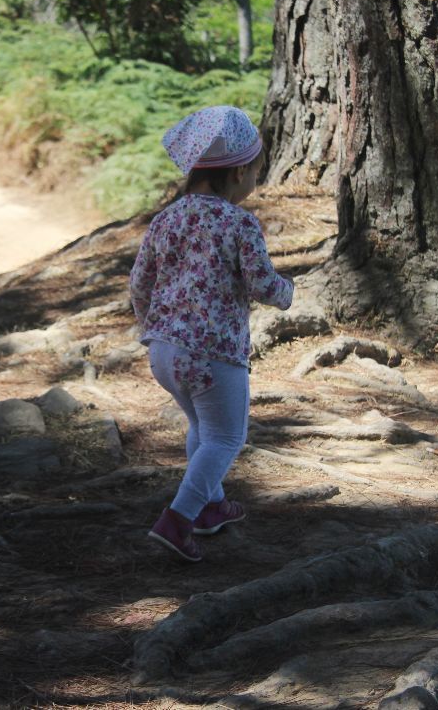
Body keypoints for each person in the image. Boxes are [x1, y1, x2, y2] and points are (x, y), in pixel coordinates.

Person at [130, 105, 294, 562]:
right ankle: (178, 519)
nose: (255, 181)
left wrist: (154, 326)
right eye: (257, 172)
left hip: (164, 351)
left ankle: (212, 506)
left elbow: (139, 282)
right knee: (226, 438)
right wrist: (287, 293)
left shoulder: (167, 219)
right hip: (214, 354)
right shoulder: (239, 222)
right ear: (239, 171)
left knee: (203, 427)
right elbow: (262, 285)